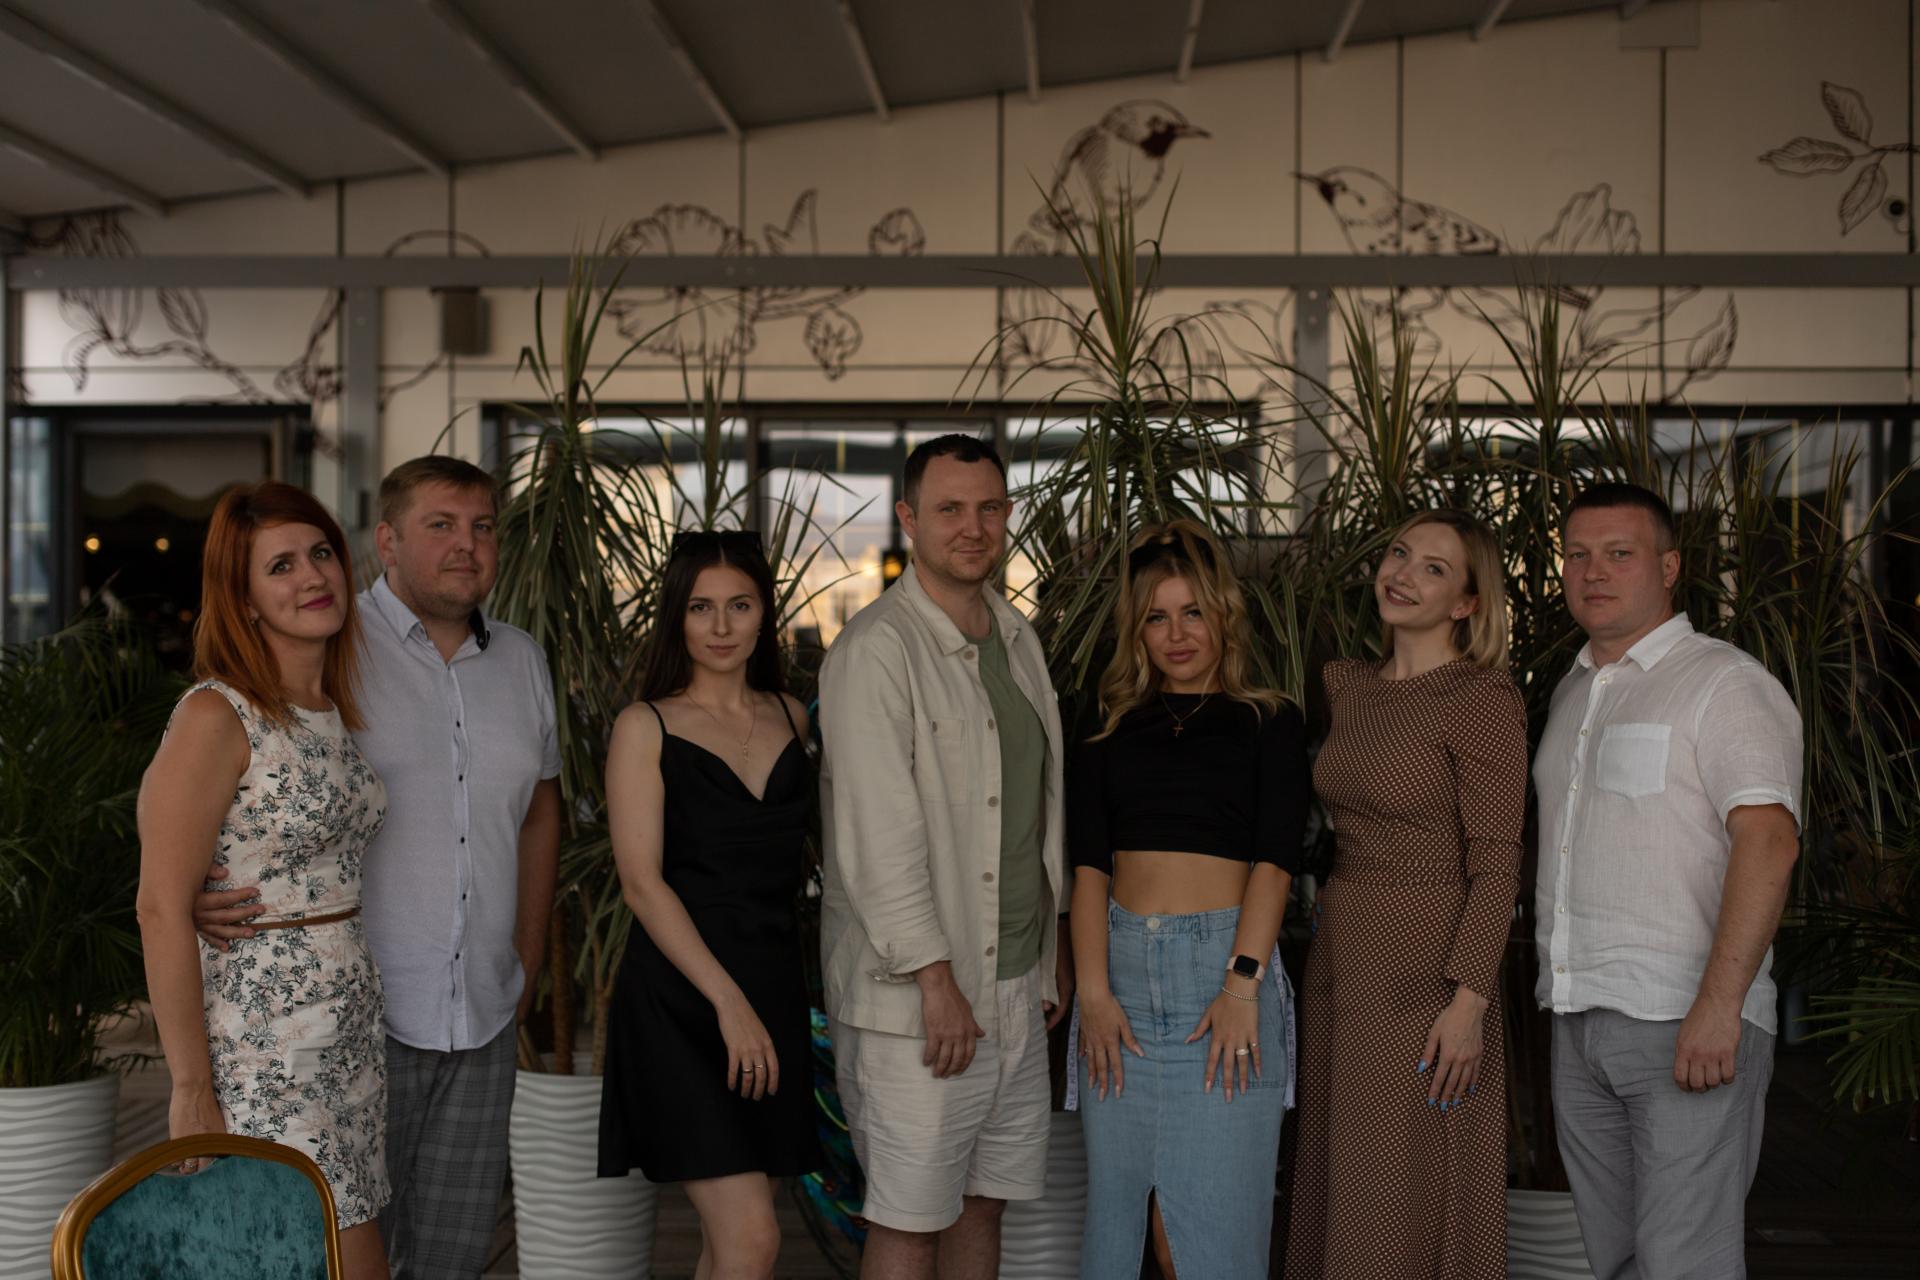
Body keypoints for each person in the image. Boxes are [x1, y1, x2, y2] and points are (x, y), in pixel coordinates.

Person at [195, 456, 562, 1279]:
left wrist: (527, 954)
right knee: (338, 1253)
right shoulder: (328, 641)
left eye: (482, 527)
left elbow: (542, 811)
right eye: (441, 525)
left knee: (453, 1256)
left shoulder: (523, 661)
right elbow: (246, 784)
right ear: (387, 541)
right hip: (354, 1019)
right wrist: (189, 896)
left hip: (484, 1011)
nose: (466, 545)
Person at [817, 433, 1073, 1280]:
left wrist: (1052, 951)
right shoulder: (876, 650)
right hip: (922, 995)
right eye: (950, 509)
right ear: (908, 518)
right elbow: (876, 835)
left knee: (982, 1201)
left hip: (1016, 981)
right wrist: (935, 979)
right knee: (909, 1218)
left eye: (989, 507)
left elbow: (1038, 814)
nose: (973, 527)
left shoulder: (1018, 638)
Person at [1537, 482, 1801, 1280]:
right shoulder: (1572, 690)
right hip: (1579, 1021)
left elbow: (1769, 841)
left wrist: (1719, 1005)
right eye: (1577, 554)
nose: (1594, 572)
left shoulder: (1722, 682)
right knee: (1616, 1260)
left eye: (1619, 553)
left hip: (1686, 1020)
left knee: (1686, 1262)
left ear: (1669, 566)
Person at [136, 481, 390, 1279]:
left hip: (347, 1035)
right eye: (280, 566)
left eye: (321, 553)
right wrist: (190, 1089)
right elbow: (158, 904)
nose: (312, 576)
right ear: (242, 599)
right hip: (265, 1046)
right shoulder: (217, 714)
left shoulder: (328, 709)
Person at [1285, 508, 1528, 1280]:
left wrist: (1469, 1002)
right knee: (1339, 1167)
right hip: (1342, 950)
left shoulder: (1481, 697)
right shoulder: (1347, 685)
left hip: (1428, 968)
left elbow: (1498, 863)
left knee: (1398, 1177)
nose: (1402, 574)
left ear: (1467, 602)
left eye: (1433, 568)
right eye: (1399, 554)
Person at [1069, 520, 1308, 1279]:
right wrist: (1094, 994)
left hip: (1224, 974)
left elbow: (1275, 863)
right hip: (1121, 984)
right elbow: (1088, 870)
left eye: (1193, 612)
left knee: (1205, 1231)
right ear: (1136, 631)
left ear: (1224, 614)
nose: (1177, 634)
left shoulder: (1269, 720)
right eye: (1157, 617)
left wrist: (1242, 984)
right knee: (1127, 1225)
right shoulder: (1105, 725)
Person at [596, 529, 822, 1277]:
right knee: (753, 1236)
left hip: (772, 985)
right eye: (700, 607)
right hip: (684, 999)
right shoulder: (645, 725)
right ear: (677, 618)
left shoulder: (793, 716)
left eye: (739, 605)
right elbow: (641, 883)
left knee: (730, 1244)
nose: (721, 626)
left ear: (764, 615)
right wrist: (728, 1003)